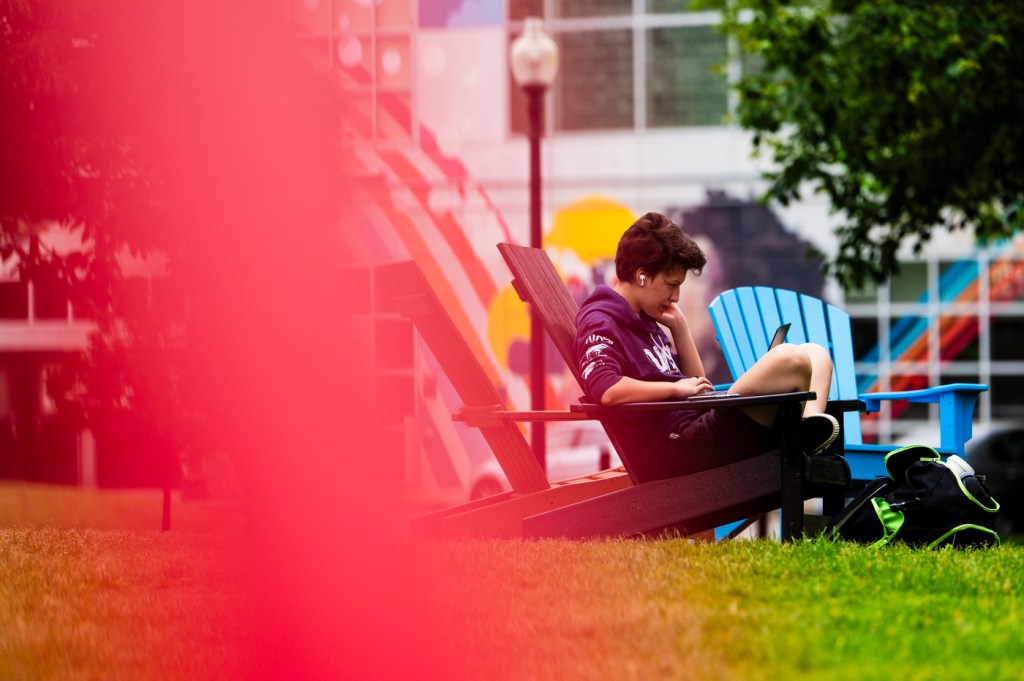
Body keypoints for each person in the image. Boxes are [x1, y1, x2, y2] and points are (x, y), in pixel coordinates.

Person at [574, 211, 839, 482]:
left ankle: (809, 432)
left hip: (697, 431)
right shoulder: (600, 320)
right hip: (677, 448)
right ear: (641, 276)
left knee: (816, 355)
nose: (675, 296)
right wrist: (676, 389)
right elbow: (606, 389)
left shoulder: (645, 321)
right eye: (672, 284)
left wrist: (680, 328)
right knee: (789, 358)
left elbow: (698, 384)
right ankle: (803, 440)